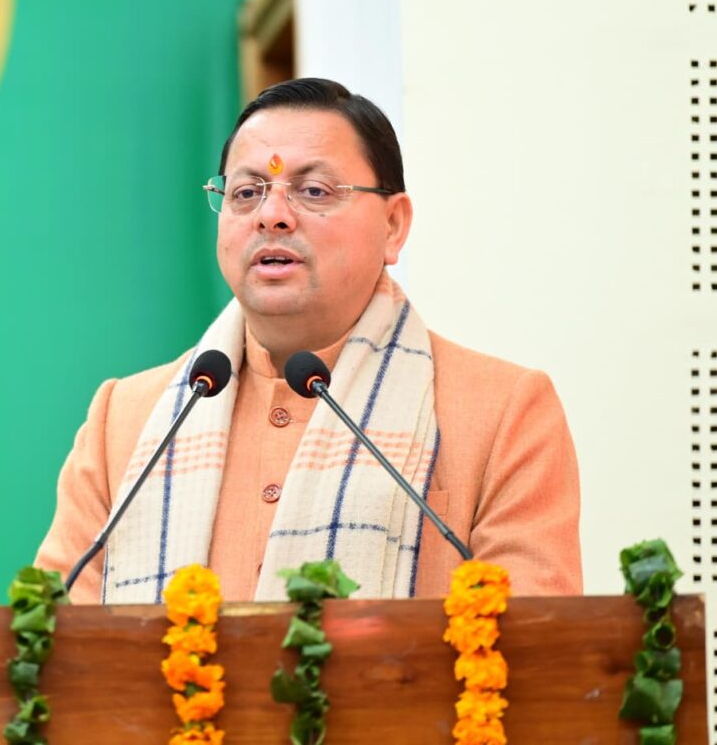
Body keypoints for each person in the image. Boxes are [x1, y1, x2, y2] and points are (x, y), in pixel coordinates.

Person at [36, 77, 581, 604]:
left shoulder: (504, 412)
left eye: (314, 191)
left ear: (393, 225)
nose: (272, 216)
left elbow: (533, 645)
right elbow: (55, 642)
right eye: (246, 193)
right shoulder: (125, 421)